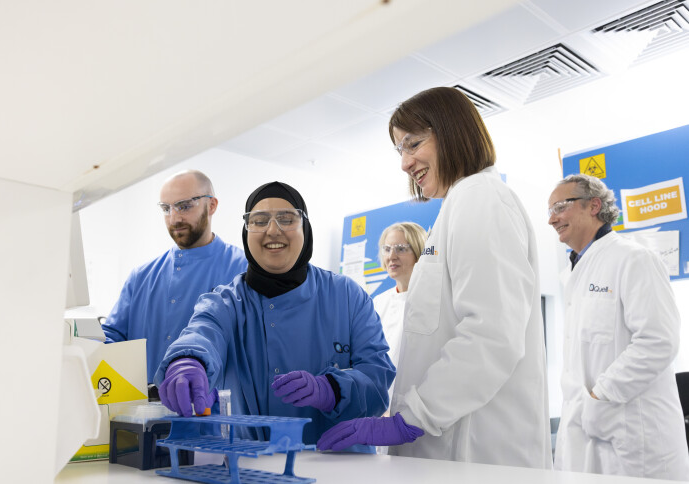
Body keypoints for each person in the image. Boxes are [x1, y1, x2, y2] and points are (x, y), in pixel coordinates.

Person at [317, 87, 552, 470]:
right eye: (400, 151)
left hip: (474, 452)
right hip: (452, 450)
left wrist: (411, 420)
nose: (405, 164)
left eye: (413, 145)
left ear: (451, 131)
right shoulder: (459, 204)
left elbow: (490, 335)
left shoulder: (481, 197)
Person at [153, 181, 395, 450]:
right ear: (246, 232)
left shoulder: (348, 296)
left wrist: (331, 390)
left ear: (305, 228)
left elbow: (378, 379)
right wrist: (187, 361)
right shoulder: (226, 302)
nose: (272, 230)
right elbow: (202, 334)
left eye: (286, 218)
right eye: (259, 220)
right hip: (253, 467)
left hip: (341, 466)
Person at [547, 174, 689, 480]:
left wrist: (601, 396)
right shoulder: (572, 272)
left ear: (593, 205)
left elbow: (658, 341)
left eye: (559, 207)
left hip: (633, 437)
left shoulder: (634, 258)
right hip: (585, 434)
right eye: (549, 212)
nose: (552, 219)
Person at [101, 170, 247, 383]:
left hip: (215, 412)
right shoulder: (141, 277)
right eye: (166, 208)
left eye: (184, 206)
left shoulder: (242, 269)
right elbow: (111, 341)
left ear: (212, 205)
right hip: (143, 413)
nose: (174, 218)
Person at [373, 222, 427, 390]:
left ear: (419, 252)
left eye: (401, 249)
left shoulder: (434, 300)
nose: (391, 256)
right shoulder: (378, 303)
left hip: (420, 405)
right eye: (387, 249)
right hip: (381, 404)